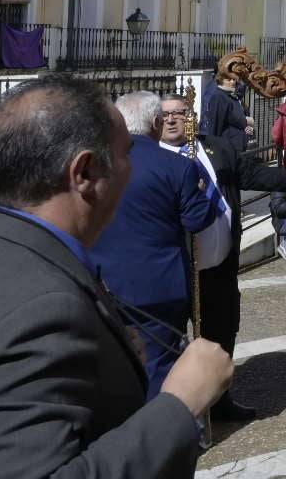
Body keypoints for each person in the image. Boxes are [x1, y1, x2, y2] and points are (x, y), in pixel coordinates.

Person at [0, 73, 232, 477]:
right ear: (84, 173)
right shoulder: (46, 310)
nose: (132, 170)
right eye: (126, 155)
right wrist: (179, 405)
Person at [156, 93, 286, 422]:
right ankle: (174, 413)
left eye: (180, 113)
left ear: (192, 116)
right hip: (175, 271)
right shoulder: (148, 157)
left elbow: (253, 175)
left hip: (219, 266)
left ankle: (219, 400)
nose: (174, 120)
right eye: (166, 115)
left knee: (221, 333)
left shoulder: (216, 147)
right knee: (171, 341)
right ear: (155, 121)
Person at [91, 90, 223, 398]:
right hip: (158, 285)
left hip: (101, 280)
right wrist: (204, 195)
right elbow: (196, 220)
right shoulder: (176, 166)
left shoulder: (96, 164)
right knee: (158, 363)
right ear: (155, 122)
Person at [200, 66, 251, 152]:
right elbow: (215, 125)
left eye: (234, 79)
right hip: (228, 148)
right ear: (221, 80)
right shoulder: (218, 96)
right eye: (229, 80)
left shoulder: (231, 95)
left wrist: (247, 126)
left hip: (238, 146)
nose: (232, 82)